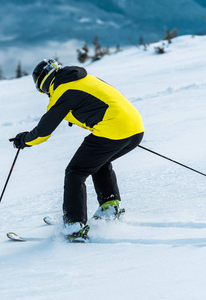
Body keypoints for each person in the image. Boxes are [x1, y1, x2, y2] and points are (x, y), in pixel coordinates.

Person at [11, 59, 144, 242]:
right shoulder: (86, 79)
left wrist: (24, 140)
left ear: (43, 83)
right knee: (98, 162)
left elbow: (43, 132)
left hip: (113, 130)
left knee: (75, 172)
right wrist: (124, 131)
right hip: (136, 130)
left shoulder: (62, 91)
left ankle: (74, 226)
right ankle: (109, 208)